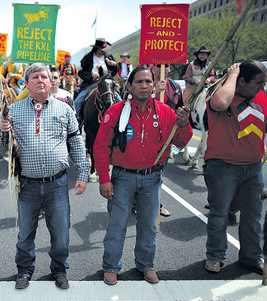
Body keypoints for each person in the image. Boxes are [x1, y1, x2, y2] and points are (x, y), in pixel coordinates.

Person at [93, 66, 192, 285]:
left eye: (148, 81)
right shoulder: (115, 111)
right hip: (122, 178)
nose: (144, 86)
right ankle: (111, 266)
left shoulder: (166, 112)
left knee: (148, 226)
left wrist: (183, 124)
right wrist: (104, 178)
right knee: (117, 225)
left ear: (154, 85)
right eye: (139, 82)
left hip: (153, 179)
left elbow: (181, 141)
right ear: (129, 86)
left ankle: (146, 265)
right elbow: (100, 147)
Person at [0, 63, 89, 290]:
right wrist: (3, 131)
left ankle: (59, 270)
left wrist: (84, 172)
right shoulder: (14, 111)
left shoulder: (64, 109)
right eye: (34, 77)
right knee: (25, 233)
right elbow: (1, 148)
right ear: (26, 83)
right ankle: (25, 270)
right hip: (27, 185)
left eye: (44, 77)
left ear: (50, 82)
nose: (40, 80)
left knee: (60, 232)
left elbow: (76, 143)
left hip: (57, 184)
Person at [203, 60, 267, 275]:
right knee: (219, 214)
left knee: (253, 215)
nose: (262, 87)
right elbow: (219, 104)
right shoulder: (220, 93)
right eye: (258, 82)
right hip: (222, 167)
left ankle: (251, 257)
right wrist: (232, 75)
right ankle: (215, 255)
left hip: (254, 168)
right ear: (241, 81)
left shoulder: (262, 97)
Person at [152, 63, 186, 217]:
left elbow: (180, 106)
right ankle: (140, 202)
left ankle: (154, 204)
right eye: (157, 66)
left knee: (158, 173)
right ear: (152, 67)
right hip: (145, 136)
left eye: (164, 66)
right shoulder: (144, 80)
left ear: (169, 68)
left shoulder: (175, 87)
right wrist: (154, 92)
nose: (162, 68)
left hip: (166, 138)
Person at [75, 38, 118, 122]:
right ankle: (79, 120)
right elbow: (81, 72)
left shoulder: (109, 57)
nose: (102, 51)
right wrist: (91, 75)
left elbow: (115, 72)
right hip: (91, 84)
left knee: (119, 100)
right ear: (96, 48)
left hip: (106, 84)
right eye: (100, 49)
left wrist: (115, 65)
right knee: (77, 101)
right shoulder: (88, 57)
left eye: (103, 49)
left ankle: (118, 121)